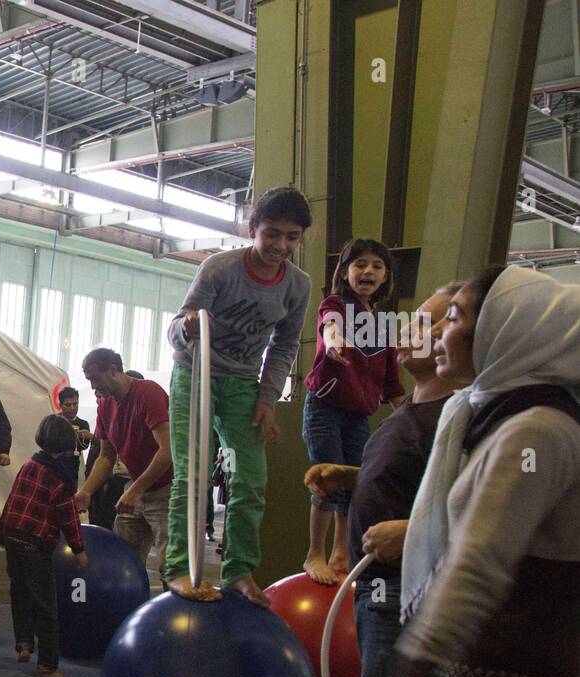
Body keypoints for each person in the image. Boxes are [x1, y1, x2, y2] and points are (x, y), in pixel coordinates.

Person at [379, 265, 580, 677]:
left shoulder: (537, 430)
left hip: (503, 674)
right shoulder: (505, 415)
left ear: (507, 328)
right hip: (503, 668)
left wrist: (412, 670)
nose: (441, 331)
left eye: (458, 317)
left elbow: (479, 564)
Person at [293, 283, 460, 677]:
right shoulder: (421, 410)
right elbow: (426, 482)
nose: (413, 327)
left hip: (408, 594)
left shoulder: (464, 416)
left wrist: (411, 533)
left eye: (437, 319)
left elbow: (479, 511)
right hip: (381, 591)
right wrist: (354, 479)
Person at [163, 186, 313, 606]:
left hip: (245, 386)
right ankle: (177, 568)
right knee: (191, 474)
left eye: (291, 236)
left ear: (301, 238)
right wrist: (188, 326)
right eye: (272, 233)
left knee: (250, 479)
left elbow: (284, 347)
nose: (280, 245)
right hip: (196, 373)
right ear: (253, 229)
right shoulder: (219, 268)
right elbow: (176, 326)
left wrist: (268, 399)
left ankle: (240, 571)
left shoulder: (298, 286)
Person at [302, 239, 405, 584]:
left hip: (359, 415)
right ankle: (314, 553)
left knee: (356, 483)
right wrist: (332, 340)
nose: (368, 271)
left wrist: (415, 413)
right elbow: (328, 323)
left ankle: (341, 551)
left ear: (386, 277)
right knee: (327, 481)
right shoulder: (335, 305)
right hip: (325, 408)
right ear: (345, 273)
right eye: (360, 264)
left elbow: (392, 382)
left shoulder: (383, 324)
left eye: (377, 266)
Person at [0, 414, 86, 677]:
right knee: (45, 603)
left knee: (20, 592)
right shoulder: (60, 478)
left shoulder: (29, 464)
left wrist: (2, 532)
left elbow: (14, 499)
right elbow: (68, 516)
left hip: (13, 536)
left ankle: (24, 643)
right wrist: (79, 549)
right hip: (36, 543)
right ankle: (48, 664)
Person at [76, 349, 172, 583]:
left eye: (95, 378)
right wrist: (85, 491)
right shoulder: (105, 406)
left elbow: (167, 451)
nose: (92, 386)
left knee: (171, 568)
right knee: (121, 562)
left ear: (113, 370)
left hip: (168, 491)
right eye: (88, 379)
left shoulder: (149, 393)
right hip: (137, 489)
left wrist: (135, 490)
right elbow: (106, 457)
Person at [57, 386, 93, 468]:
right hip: (53, 464)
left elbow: (85, 446)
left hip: (73, 465)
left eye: (75, 404)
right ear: (60, 405)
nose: (72, 408)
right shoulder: (53, 422)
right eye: (68, 405)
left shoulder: (83, 424)